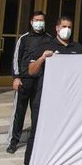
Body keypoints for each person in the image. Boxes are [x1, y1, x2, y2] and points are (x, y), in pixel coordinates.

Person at [22, 16, 82, 165]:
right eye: (64, 26)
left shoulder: (77, 47)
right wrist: (42, 58)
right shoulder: (46, 46)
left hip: (68, 100)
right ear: (57, 28)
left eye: (69, 26)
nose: (66, 29)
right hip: (45, 98)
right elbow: (31, 70)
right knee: (37, 132)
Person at [7, 10, 53, 155]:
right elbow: (16, 59)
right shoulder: (24, 38)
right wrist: (16, 77)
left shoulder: (49, 38)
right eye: (36, 20)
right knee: (19, 113)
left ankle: (36, 141)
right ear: (31, 22)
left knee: (37, 112)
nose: (39, 23)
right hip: (24, 81)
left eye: (41, 20)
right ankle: (13, 142)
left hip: (40, 81)